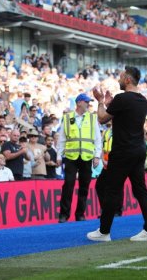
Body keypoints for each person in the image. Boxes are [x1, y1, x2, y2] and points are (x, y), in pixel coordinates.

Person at [88, 66, 147, 242]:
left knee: (109, 189)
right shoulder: (143, 100)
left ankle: (104, 232)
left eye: (120, 77)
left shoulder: (122, 98)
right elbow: (123, 116)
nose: (118, 80)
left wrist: (101, 101)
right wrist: (111, 104)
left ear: (127, 79)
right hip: (138, 150)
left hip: (123, 151)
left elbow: (102, 118)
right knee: (140, 190)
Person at [57, 93, 101, 223]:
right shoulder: (67, 118)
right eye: (87, 102)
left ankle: (80, 214)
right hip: (71, 156)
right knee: (68, 185)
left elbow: (97, 139)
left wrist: (96, 156)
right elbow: (62, 139)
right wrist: (59, 155)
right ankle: (64, 215)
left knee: (84, 186)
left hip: (87, 157)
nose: (89, 104)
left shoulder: (92, 118)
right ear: (79, 102)